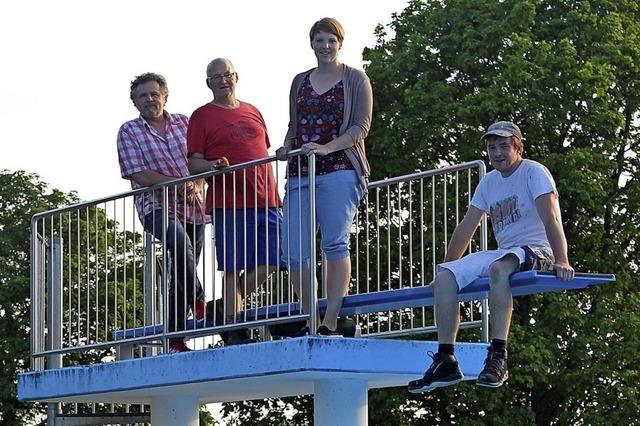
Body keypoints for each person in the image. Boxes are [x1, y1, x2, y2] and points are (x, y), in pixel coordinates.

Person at [407, 121, 575, 392]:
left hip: (538, 249)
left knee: (499, 269)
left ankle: (498, 354)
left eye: (504, 146)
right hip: (507, 251)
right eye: (492, 147)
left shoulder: (534, 173)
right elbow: (466, 227)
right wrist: (447, 266)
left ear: (518, 147)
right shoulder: (489, 182)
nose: (497, 153)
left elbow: (551, 218)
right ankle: (446, 359)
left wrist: (562, 259)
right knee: (447, 276)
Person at [276, 18, 373, 336]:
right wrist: (287, 144)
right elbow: (295, 124)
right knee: (294, 251)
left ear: (340, 43)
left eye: (331, 40)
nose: (326, 46)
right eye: (320, 40)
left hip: (340, 169)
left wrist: (327, 148)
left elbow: (360, 127)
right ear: (312, 44)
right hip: (301, 172)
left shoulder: (355, 79)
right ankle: (310, 317)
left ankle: (330, 319)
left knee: (334, 243)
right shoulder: (298, 81)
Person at [187, 58, 281, 344]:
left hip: (266, 197)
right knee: (232, 264)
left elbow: (262, 150)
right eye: (216, 77)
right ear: (208, 83)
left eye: (227, 75)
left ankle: (222, 307)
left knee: (278, 257)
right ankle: (232, 324)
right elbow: (193, 164)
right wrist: (214, 165)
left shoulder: (253, 110)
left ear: (236, 77)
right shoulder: (201, 116)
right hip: (230, 200)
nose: (223, 80)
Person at [117, 72, 208, 353]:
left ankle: (175, 339)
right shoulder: (129, 131)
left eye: (154, 94)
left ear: (164, 96)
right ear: (134, 102)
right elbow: (138, 174)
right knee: (181, 246)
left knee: (182, 269)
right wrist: (177, 186)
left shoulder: (185, 122)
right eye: (142, 96)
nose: (149, 100)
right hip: (155, 206)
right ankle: (200, 299)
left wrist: (193, 184)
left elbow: (199, 160)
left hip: (194, 206)